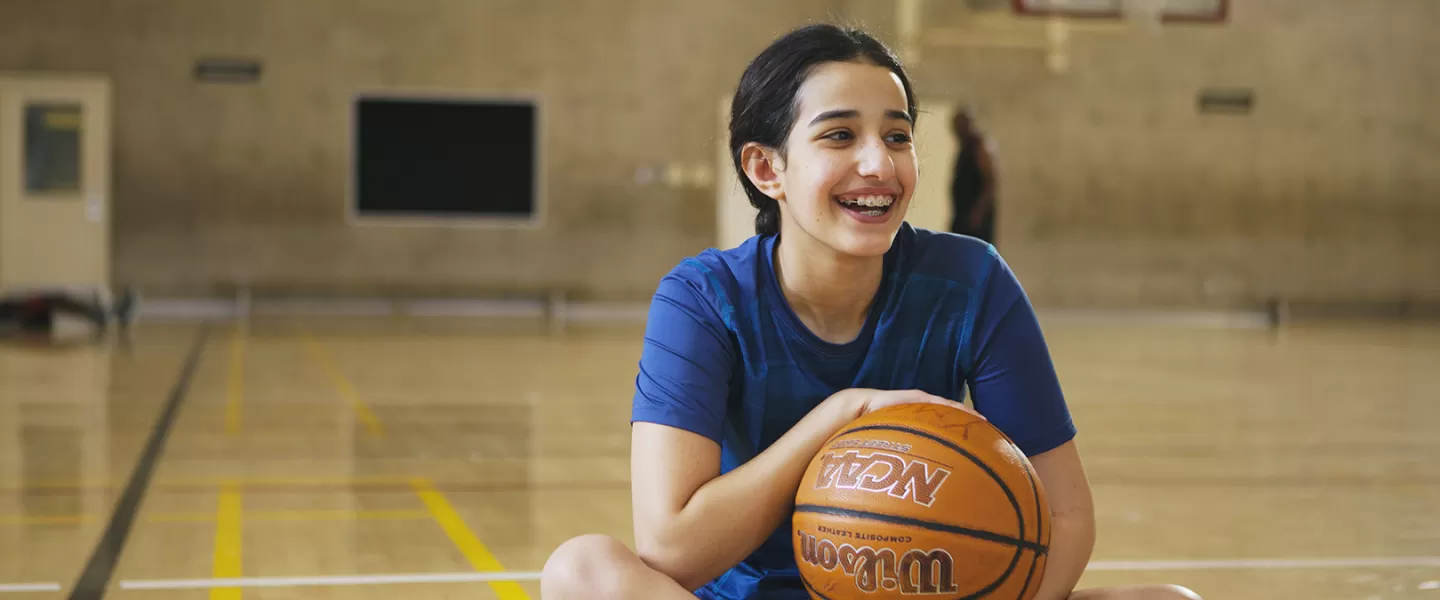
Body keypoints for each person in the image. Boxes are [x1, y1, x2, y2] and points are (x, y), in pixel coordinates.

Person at [541, 24, 1199, 600]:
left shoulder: (972, 281)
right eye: (840, 135)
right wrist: (843, 413)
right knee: (581, 571)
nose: (878, 163)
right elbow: (670, 552)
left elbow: (1067, 520)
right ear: (767, 168)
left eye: (898, 135)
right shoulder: (702, 299)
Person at [0, 287, 135, 343]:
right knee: (55, 299)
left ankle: (107, 313)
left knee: (56, 298)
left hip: (14, 313)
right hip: (14, 318)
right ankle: (107, 313)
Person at [949, 106, 998, 245]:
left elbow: (990, 183)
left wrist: (978, 212)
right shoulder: (964, 148)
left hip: (975, 221)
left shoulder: (980, 148)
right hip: (962, 216)